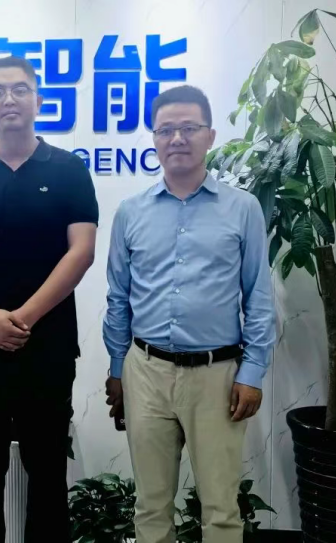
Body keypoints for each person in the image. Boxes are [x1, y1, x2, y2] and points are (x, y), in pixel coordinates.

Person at [102, 85, 276, 543]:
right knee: (150, 505)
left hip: (217, 376)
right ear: (154, 139)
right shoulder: (130, 212)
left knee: (221, 509)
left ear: (210, 135)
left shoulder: (242, 208)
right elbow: (118, 298)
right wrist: (118, 369)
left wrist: (252, 372)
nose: (177, 138)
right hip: (145, 372)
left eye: (189, 128)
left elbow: (258, 297)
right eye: (166, 130)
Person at [0, 56, 98, 543]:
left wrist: (23, 317)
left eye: (20, 89)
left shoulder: (69, 170)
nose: (9, 99)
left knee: (47, 473)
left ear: (38, 101)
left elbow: (82, 251)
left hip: (47, 348)